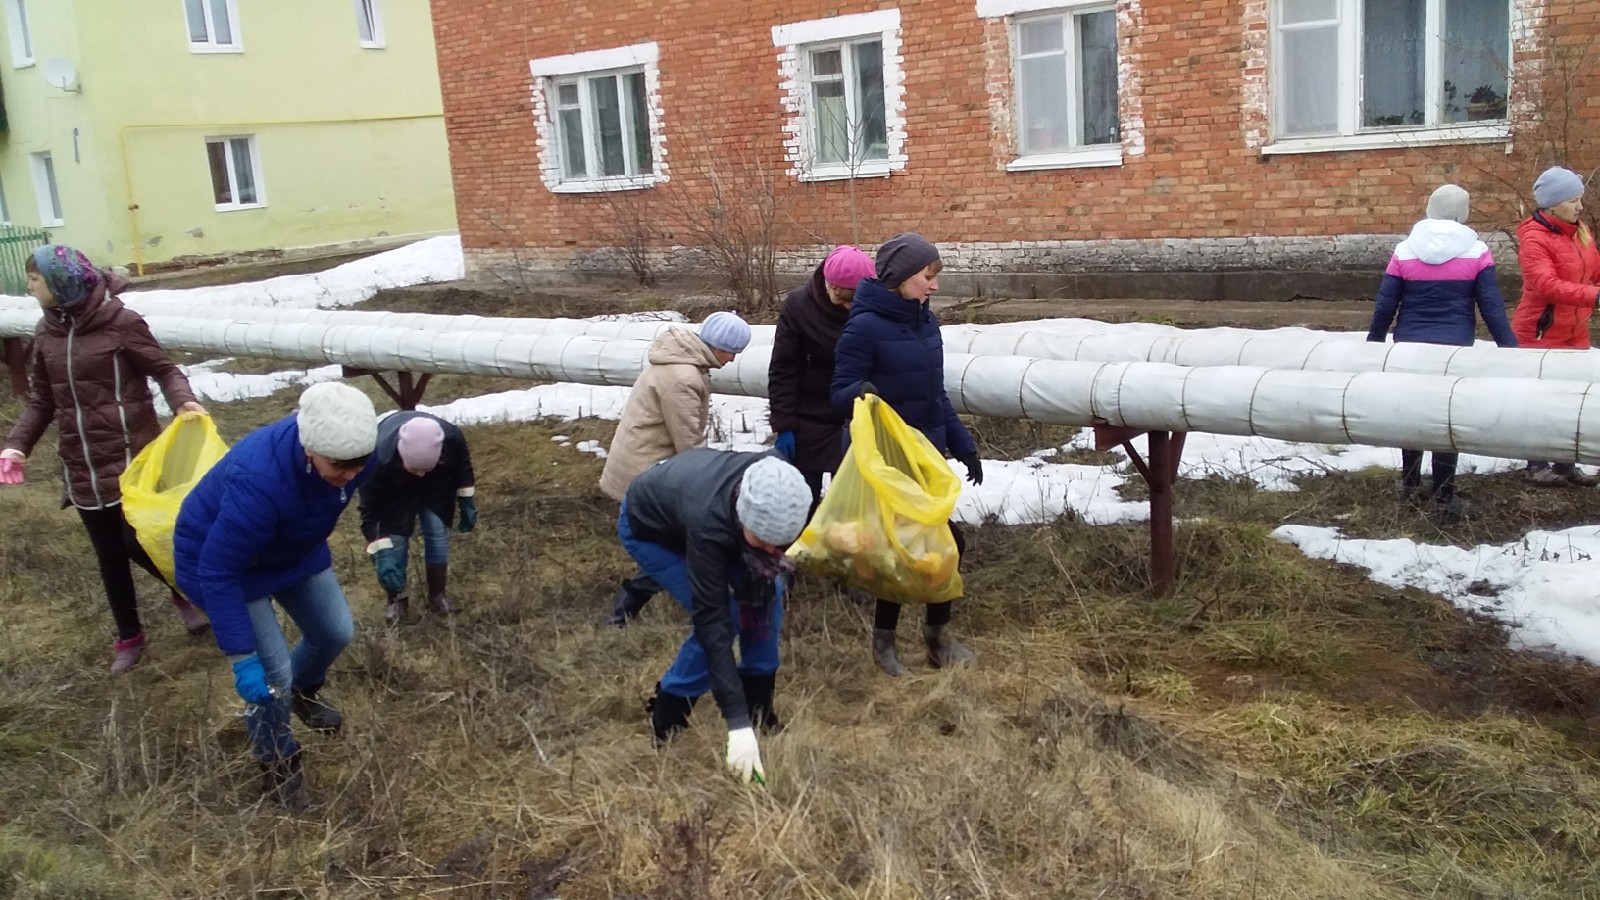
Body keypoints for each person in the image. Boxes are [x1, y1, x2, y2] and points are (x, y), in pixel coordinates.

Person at [0, 245, 209, 674]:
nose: (29, 286)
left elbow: (165, 369)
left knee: (138, 541)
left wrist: (182, 401)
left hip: (131, 457)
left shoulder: (121, 323)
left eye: (35, 279)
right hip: (82, 464)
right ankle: (129, 636)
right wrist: (17, 443)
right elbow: (42, 401)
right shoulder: (46, 332)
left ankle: (187, 593)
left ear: (60, 282)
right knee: (109, 555)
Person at [173, 382, 377, 808]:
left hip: (291, 550)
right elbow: (218, 570)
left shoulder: (354, 450)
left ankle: (301, 693)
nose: (351, 474)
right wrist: (242, 657)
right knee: (272, 676)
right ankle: (276, 759)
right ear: (309, 449)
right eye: (340, 466)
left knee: (335, 631)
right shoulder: (260, 481)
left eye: (359, 464)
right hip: (226, 567)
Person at [830, 233, 982, 677]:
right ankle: (885, 644)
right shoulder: (863, 327)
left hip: (927, 455)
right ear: (899, 278)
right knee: (899, 552)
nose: (934, 285)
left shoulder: (925, 322)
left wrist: (963, 443)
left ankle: (937, 638)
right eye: (927, 276)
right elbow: (837, 395)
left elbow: (935, 394)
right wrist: (859, 391)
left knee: (946, 545)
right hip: (888, 459)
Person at [620, 449, 811, 784]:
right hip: (651, 530)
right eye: (764, 541)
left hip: (706, 511)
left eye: (780, 543)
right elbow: (712, 622)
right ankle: (668, 713)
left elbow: (766, 557)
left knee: (767, 597)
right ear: (744, 518)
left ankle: (759, 708)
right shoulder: (707, 523)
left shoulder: (784, 487)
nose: (774, 551)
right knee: (730, 615)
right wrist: (736, 725)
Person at [1367, 184, 1517, 523]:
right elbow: (1492, 307)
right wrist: (1509, 348)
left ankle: (1409, 485)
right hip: (1454, 349)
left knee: (1412, 412)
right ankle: (1444, 494)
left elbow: (1385, 304)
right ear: (1462, 213)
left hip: (1409, 347)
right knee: (1445, 415)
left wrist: (1374, 342)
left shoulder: (1405, 250)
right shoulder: (1476, 251)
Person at [600, 310, 752, 626]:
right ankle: (632, 604)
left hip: (647, 460)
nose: (732, 360)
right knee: (679, 544)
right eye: (732, 352)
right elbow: (688, 444)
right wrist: (715, 482)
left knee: (675, 544)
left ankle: (630, 603)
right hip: (648, 468)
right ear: (718, 346)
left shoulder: (678, 361)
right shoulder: (683, 379)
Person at [1509, 166, 1600, 487]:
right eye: (1573, 201)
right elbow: (1546, 285)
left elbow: (1594, 271)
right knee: (1539, 401)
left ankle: (1565, 464)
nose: (1580, 207)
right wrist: (1595, 296)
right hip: (1540, 334)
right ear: (1551, 205)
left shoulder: (1580, 232)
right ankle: (1536, 464)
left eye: (1580, 199)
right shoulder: (1534, 238)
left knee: (1571, 399)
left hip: (1575, 333)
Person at [768, 245, 874, 509]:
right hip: (808, 419)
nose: (850, 307)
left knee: (849, 507)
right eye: (844, 299)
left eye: (856, 300)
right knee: (801, 503)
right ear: (831, 287)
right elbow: (783, 368)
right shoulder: (799, 306)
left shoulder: (873, 305)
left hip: (854, 419)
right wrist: (784, 424)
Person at [358, 411, 477, 625]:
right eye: (415, 468)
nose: (420, 474)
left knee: (437, 531)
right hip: (396, 486)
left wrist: (466, 499)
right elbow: (370, 510)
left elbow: (463, 469)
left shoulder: (452, 439)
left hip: (436, 485)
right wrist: (380, 550)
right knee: (395, 540)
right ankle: (396, 599)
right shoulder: (378, 458)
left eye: (426, 468)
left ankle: (438, 596)